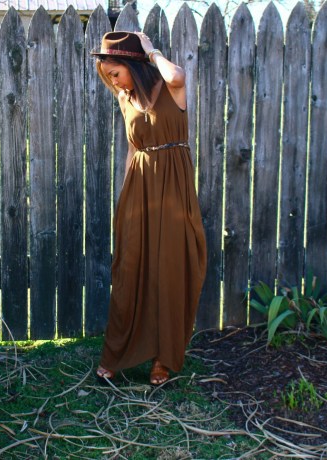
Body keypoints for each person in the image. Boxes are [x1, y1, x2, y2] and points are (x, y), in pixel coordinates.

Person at [91, 31, 207, 385]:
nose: (114, 82)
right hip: (140, 188)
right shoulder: (124, 98)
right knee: (130, 269)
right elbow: (132, 149)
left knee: (169, 269)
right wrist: (126, 195)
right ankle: (116, 353)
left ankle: (162, 359)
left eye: (116, 73)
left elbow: (177, 75)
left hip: (173, 188)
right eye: (108, 76)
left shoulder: (171, 88)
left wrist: (150, 50)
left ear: (134, 65)